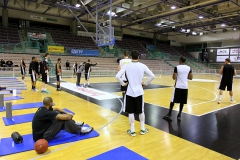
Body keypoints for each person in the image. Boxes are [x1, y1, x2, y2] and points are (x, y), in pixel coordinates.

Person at [116, 50, 155, 137]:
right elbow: (152, 75)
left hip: (129, 91)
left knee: (130, 112)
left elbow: (117, 76)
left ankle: (132, 131)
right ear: (138, 57)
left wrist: (123, 83)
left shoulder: (126, 66)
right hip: (139, 91)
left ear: (131, 57)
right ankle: (142, 129)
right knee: (141, 111)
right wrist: (146, 83)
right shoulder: (142, 66)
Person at [163, 57, 193, 121]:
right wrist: (185, 76)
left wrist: (174, 75)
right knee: (182, 102)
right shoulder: (189, 68)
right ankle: (179, 115)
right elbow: (191, 77)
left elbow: (174, 77)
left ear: (180, 61)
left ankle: (169, 114)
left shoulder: (177, 67)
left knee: (172, 100)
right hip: (185, 87)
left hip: (178, 86)